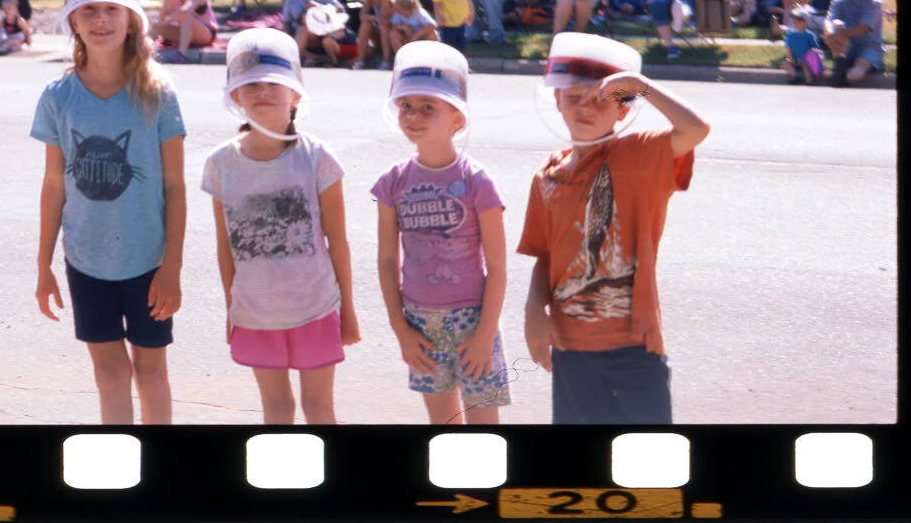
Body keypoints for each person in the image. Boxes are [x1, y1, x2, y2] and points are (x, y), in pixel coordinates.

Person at [518, 32, 711, 424]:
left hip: (635, 350)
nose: (585, 107)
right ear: (556, 100)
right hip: (569, 349)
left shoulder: (638, 154)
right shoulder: (547, 177)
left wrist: (640, 88)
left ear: (622, 112)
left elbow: (695, 129)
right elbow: (545, 256)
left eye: (601, 100)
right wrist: (533, 308)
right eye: (573, 97)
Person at [31, 0, 187, 425]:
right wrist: (43, 265)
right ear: (73, 22)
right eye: (88, 10)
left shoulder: (158, 91)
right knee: (109, 373)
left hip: (148, 262)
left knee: (151, 372)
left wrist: (172, 266)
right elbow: (53, 186)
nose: (100, 20)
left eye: (111, 10)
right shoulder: (58, 96)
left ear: (132, 20)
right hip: (86, 261)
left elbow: (176, 187)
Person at [202, 28, 361, 424]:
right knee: (276, 408)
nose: (262, 91)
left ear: (296, 94)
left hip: (317, 308)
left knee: (319, 408)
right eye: (250, 83)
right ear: (234, 96)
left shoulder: (317, 157)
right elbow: (226, 247)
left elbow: (338, 241)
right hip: (255, 314)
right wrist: (231, 308)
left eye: (274, 82)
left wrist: (350, 310)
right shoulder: (221, 164)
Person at [372, 41, 511, 424]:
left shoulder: (478, 181)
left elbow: (498, 267)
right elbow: (387, 260)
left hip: (473, 319)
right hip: (420, 321)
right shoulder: (392, 182)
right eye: (405, 106)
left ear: (457, 118)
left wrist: (484, 336)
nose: (413, 116)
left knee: (484, 427)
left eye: (428, 107)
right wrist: (401, 330)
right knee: (442, 425)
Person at [823, 0, 888, 88]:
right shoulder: (838, 0)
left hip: (869, 46)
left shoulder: (874, 3)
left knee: (858, 71)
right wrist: (830, 32)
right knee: (836, 25)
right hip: (847, 45)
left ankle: (839, 75)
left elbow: (863, 28)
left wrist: (838, 35)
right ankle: (839, 63)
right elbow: (828, 21)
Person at [151, 0, 220, 64]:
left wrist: (165, 22)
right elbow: (162, 15)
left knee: (186, 18)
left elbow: (184, 11)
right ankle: (145, 51)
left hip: (205, 33)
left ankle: (181, 54)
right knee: (155, 25)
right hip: (185, 32)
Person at [280, 0, 346, 67]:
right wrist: (288, 36)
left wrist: (320, 6)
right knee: (303, 29)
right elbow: (286, 20)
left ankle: (328, 59)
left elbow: (341, 11)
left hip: (324, 31)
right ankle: (301, 58)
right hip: (303, 33)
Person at [355, 0, 395, 67]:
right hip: (381, 30)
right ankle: (360, 60)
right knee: (366, 25)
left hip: (393, 31)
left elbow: (386, 17)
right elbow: (362, 16)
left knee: (383, 26)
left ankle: (386, 60)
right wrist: (375, 18)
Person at [386, 0, 438, 66]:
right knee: (393, 34)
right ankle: (402, 61)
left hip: (421, 40)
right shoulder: (398, 14)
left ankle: (428, 61)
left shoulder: (419, 13)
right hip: (407, 39)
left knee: (433, 34)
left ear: (404, 7)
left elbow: (432, 25)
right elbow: (393, 25)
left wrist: (415, 36)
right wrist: (404, 27)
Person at [782, 8, 826, 86]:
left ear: (806, 23)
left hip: (806, 59)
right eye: (794, 19)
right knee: (784, 64)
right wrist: (790, 57)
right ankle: (796, 76)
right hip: (795, 59)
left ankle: (809, 81)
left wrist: (814, 55)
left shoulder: (809, 34)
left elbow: (814, 47)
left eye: (799, 20)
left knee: (805, 63)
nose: (795, 22)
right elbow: (788, 46)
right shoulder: (790, 34)